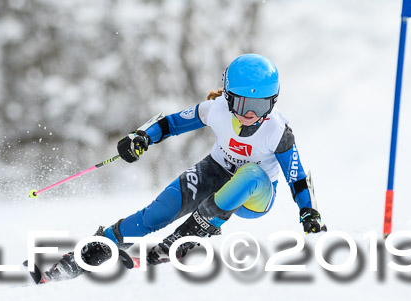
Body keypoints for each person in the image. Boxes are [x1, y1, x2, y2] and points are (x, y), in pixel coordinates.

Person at [38, 53, 326, 283]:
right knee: (156, 213)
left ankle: (180, 242)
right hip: (214, 173)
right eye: (242, 104)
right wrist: (142, 137)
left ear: (273, 103)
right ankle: (87, 255)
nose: (250, 115)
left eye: (260, 106)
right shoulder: (217, 110)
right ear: (228, 97)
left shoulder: (277, 131)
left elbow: (297, 177)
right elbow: (172, 123)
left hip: (254, 195)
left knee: (249, 174)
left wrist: (308, 212)